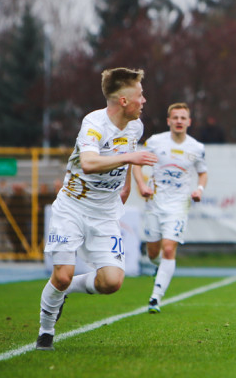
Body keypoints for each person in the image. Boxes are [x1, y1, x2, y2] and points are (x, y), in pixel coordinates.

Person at [35, 68, 158, 351]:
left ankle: (65, 292)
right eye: (140, 95)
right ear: (124, 101)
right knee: (62, 274)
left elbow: (126, 153)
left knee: (112, 282)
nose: (145, 100)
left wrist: (126, 184)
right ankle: (45, 331)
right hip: (72, 209)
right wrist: (131, 158)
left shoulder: (135, 126)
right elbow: (90, 162)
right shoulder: (94, 123)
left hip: (105, 213)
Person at [131, 102, 209, 313]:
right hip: (155, 204)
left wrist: (199, 189)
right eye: (175, 117)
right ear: (169, 121)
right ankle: (159, 269)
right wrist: (141, 185)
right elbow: (136, 163)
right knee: (153, 252)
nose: (179, 121)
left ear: (189, 122)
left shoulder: (196, 148)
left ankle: (156, 297)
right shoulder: (155, 142)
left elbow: (203, 172)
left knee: (168, 248)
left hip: (178, 205)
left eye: (183, 118)